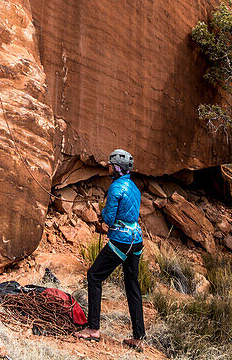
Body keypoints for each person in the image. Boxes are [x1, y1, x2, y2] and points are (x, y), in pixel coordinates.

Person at [74, 148, 146, 350]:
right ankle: (138, 337)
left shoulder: (115, 188)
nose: (108, 169)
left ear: (116, 168)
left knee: (94, 276)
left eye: (110, 166)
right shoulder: (134, 187)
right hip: (136, 240)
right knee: (132, 285)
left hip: (121, 241)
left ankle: (93, 329)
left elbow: (108, 219)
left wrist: (102, 210)